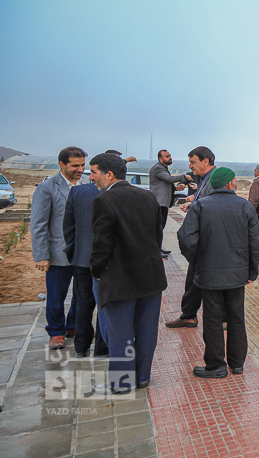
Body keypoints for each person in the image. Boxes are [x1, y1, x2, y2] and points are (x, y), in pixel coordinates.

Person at [88, 153, 167, 393]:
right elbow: (157, 236)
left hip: (119, 279)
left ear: (109, 174)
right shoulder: (148, 197)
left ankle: (122, 383)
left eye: (94, 172)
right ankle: (142, 377)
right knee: (146, 330)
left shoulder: (103, 201)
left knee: (120, 333)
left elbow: (101, 244)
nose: (91, 177)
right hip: (151, 277)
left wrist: (96, 270)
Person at [178, 168, 259, 379]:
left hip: (209, 273)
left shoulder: (200, 206)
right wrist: (252, 271)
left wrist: (197, 262)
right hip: (237, 275)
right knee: (236, 317)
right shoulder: (245, 206)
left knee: (212, 318)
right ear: (230, 184)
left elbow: (187, 239)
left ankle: (216, 365)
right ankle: (237, 363)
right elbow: (255, 242)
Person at [31, 146, 88, 349]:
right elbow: (38, 224)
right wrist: (41, 255)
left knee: (82, 295)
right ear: (62, 164)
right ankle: (56, 332)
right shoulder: (46, 188)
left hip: (83, 252)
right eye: (75, 165)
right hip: (57, 253)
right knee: (56, 296)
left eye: (83, 165)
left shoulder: (88, 184)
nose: (80, 169)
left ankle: (73, 326)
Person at [166, 146, 217, 328]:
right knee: (193, 278)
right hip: (201, 239)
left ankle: (220, 318)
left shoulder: (214, 179)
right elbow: (204, 200)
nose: (190, 166)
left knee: (206, 280)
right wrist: (193, 203)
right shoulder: (205, 178)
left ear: (206, 161)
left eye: (193, 162)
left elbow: (214, 206)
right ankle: (189, 314)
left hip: (208, 240)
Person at [63, 181, 109, 358]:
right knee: (105, 304)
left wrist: (75, 249)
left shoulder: (77, 192)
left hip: (82, 257)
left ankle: (81, 347)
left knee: (83, 303)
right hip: (107, 260)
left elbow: (68, 226)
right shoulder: (113, 192)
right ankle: (102, 348)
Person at [149, 149, 190, 257]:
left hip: (163, 202)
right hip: (159, 202)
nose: (170, 158)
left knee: (161, 227)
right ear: (160, 159)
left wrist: (176, 188)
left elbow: (164, 184)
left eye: (170, 156)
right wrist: (184, 177)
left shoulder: (163, 168)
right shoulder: (158, 168)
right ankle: (155, 251)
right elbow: (169, 179)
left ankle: (158, 248)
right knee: (158, 227)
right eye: (167, 156)